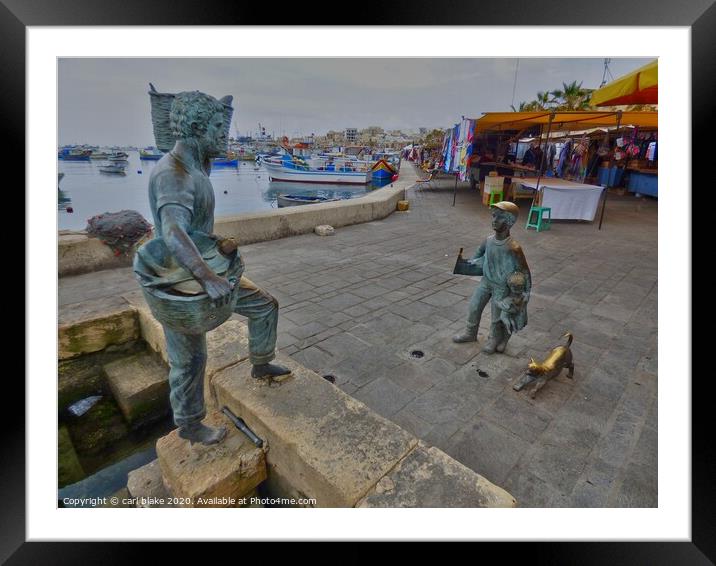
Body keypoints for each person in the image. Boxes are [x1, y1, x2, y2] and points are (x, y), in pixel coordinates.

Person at [138, 91, 290, 445]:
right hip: (179, 283)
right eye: (219, 127)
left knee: (265, 305)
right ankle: (190, 423)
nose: (225, 135)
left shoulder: (195, 165)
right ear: (195, 127)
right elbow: (174, 231)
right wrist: (207, 278)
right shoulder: (172, 174)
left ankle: (261, 361)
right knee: (190, 360)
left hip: (209, 268)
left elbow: (192, 226)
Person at [452, 201, 531, 354]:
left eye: (499, 217)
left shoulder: (513, 247)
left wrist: (525, 292)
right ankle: (470, 332)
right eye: (493, 216)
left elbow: (524, 271)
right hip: (486, 282)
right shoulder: (488, 241)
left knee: (496, 317)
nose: (494, 220)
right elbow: (477, 257)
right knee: (474, 307)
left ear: (509, 222)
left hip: (501, 287)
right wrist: (466, 265)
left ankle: (493, 339)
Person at [495, 271, 529, 335]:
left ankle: (508, 330)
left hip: (507, 311)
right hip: (514, 309)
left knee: (505, 320)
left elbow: (501, 304)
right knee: (511, 320)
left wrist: (497, 302)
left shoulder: (508, 300)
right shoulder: (523, 295)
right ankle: (514, 328)